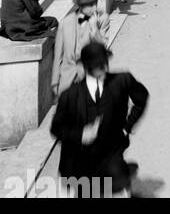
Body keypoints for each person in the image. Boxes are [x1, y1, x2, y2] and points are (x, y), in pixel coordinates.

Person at [50, 41, 148, 197]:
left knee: (121, 188)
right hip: (80, 159)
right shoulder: (70, 95)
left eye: (105, 64)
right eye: (99, 66)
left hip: (110, 153)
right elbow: (56, 128)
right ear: (88, 68)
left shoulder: (122, 80)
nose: (104, 69)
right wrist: (81, 135)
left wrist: (127, 126)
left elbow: (142, 98)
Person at [52, 0, 109, 96]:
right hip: (68, 77)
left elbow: (103, 47)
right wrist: (55, 82)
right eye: (90, 5)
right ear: (81, 6)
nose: (95, 7)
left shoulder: (103, 19)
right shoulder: (65, 22)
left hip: (91, 75)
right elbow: (58, 55)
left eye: (95, 3)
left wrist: (94, 30)